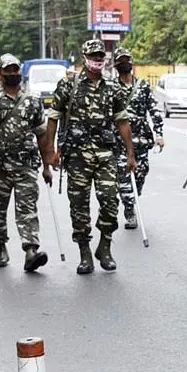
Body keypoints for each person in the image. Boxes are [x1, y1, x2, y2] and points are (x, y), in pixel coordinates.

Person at [44, 39, 136, 275]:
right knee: (79, 207)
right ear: (84, 57)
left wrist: (130, 154)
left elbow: (122, 121)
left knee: (109, 201)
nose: (97, 59)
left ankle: (104, 247)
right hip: (76, 156)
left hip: (105, 154)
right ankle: (85, 253)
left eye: (100, 56)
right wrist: (51, 152)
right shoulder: (68, 86)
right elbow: (53, 118)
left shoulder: (112, 88)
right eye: (93, 55)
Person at [0, 53, 52, 272]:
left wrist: (47, 166)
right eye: (8, 70)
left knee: (28, 209)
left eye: (16, 70)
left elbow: (42, 135)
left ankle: (31, 251)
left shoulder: (33, 102)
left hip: (25, 166)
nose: (13, 74)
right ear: (0, 73)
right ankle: (0, 247)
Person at [111, 47, 165, 229]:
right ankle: (129, 209)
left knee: (141, 175)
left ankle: (132, 198)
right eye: (121, 61)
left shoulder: (142, 86)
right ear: (116, 65)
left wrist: (159, 134)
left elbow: (154, 111)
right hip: (119, 142)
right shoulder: (111, 88)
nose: (125, 63)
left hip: (141, 140)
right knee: (124, 179)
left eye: (127, 60)